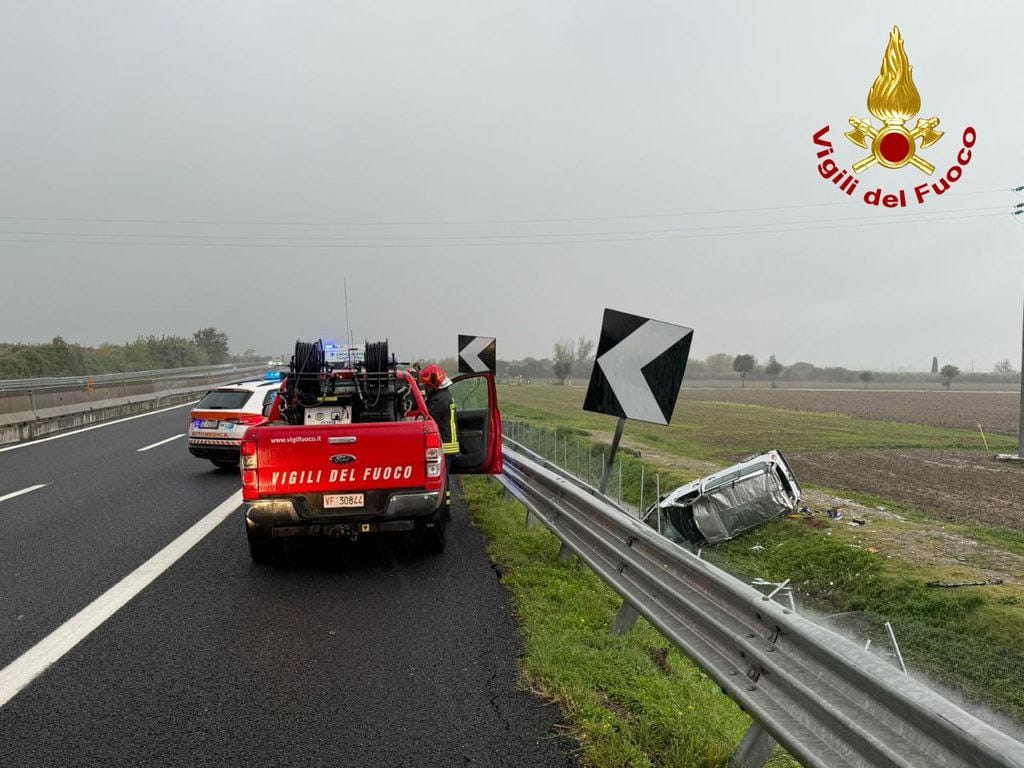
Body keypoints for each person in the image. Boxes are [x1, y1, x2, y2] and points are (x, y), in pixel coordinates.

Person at [418, 364, 459, 455]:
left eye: (427, 385)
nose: (426, 388)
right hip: (447, 441)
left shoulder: (440, 398)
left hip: (446, 445)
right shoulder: (443, 394)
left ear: (434, 381)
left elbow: (429, 417)